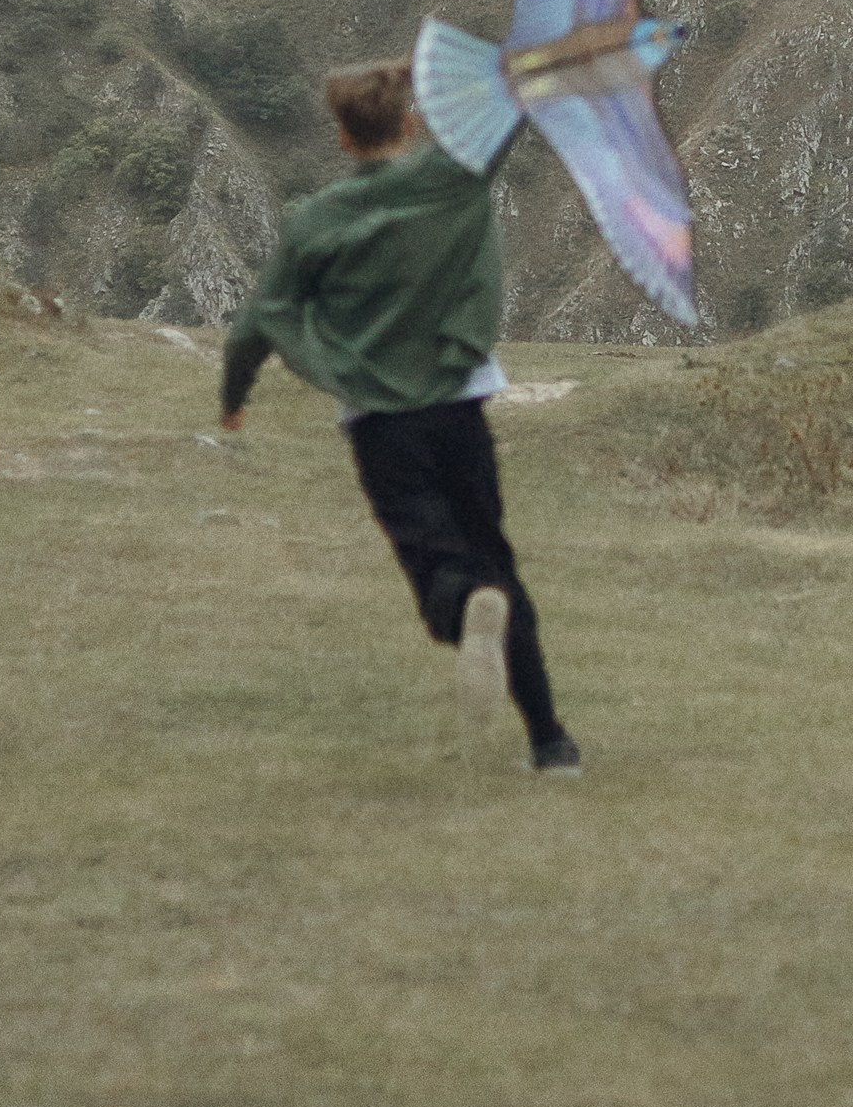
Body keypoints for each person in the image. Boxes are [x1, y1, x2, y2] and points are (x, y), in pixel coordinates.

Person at [218, 56, 581, 773]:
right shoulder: (454, 179)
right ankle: (551, 741)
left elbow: (261, 319)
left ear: (343, 136)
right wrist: (490, 69)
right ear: (410, 123)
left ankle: (465, 603)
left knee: (436, 562)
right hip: (461, 404)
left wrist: (234, 399)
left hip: (381, 419)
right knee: (493, 557)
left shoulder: (317, 219)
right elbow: (512, 107)